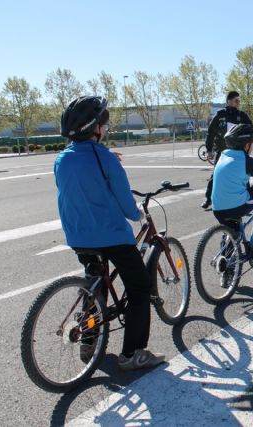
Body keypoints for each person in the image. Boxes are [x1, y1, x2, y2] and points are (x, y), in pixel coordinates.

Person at [54, 96, 164, 371]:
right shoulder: (105, 158)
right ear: (96, 128)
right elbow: (127, 206)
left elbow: (81, 181)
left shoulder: (61, 159)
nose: (107, 127)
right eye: (105, 123)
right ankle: (132, 354)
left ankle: (89, 341)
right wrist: (138, 213)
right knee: (140, 287)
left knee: (96, 284)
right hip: (112, 236)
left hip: (78, 237)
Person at [201, 90, 253, 209]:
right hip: (222, 151)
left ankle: (249, 198)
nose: (238, 103)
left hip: (239, 151)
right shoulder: (220, 115)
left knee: (243, 173)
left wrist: (249, 146)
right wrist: (209, 149)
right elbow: (211, 133)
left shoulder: (242, 115)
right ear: (229, 101)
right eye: (236, 100)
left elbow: (251, 131)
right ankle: (208, 198)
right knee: (216, 174)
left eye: (239, 101)